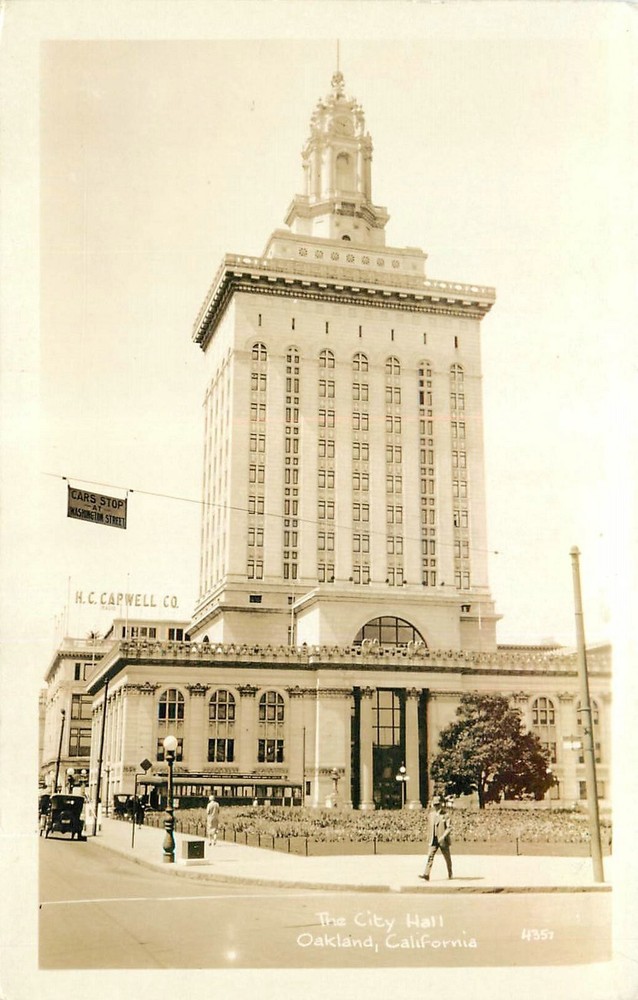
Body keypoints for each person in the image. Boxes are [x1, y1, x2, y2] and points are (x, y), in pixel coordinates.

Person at [419, 796, 453, 881]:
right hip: (433, 840)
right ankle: (426, 874)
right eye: (435, 805)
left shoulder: (445, 815)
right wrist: (429, 837)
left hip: (442, 840)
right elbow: (430, 827)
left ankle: (450, 873)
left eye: (438, 804)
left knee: (447, 858)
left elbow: (449, 828)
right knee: (430, 856)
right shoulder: (431, 815)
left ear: (441, 804)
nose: (436, 806)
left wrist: (443, 837)